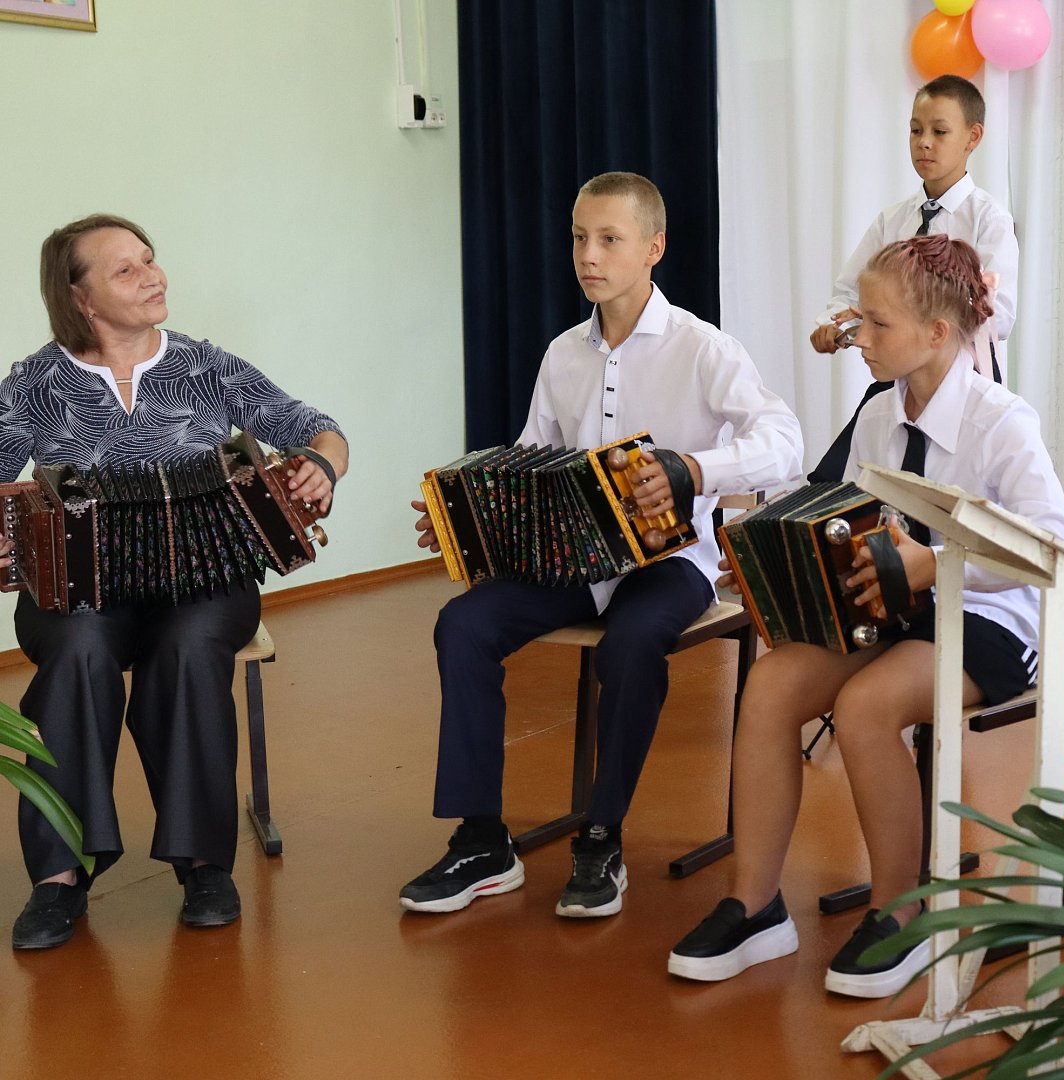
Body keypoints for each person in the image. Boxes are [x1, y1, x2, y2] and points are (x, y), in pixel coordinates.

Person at [668, 234, 1064, 998]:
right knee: (771, 687)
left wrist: (940, 561)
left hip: (991, 616)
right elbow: (854, 525)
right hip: (901, 605)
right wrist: (769, 566)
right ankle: (755, 906)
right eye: (859, 320)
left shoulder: (1002, 420)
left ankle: (902, 914)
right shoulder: (879, 415)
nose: (859, 337)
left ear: (938, 333)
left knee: (865, 706)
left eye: (877, 324)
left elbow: (1056, 546)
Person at [400, 172, 802, 920]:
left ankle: (601, 835)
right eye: (580, 237)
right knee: (464, 623)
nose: (589, 255)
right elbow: (530, 460)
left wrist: (692, 471)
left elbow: (785, 443)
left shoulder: (704, 349)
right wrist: (472, 526)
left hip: (671, 563)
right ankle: (483, 841)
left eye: (610, 239)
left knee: (632, 642)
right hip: (573, 563)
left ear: (654, 248)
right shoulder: (562, 354)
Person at [1, 213, 349, 949]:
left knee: (189, 651)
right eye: (125, 269)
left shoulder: (206, 366)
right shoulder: (36, 384)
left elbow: (319, 429)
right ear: (80, 298)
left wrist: (322, 466)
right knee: (79, 654)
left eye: (150, 259)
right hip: (80, 589)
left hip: (204, 582)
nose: (152, 276)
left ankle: (203, 864)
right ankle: (60, 875)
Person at [807, 74, 1019, 483]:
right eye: (916, 130)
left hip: (961, 387)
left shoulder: (989, 219)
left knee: (939, 493)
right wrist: (837, 327)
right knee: (832, 485)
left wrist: (920, 318)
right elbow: (848, 292)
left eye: (939, 132)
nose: (924, 143)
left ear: (973, 137)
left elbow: (1000, 314)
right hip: (898, 385)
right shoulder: (893, 219)